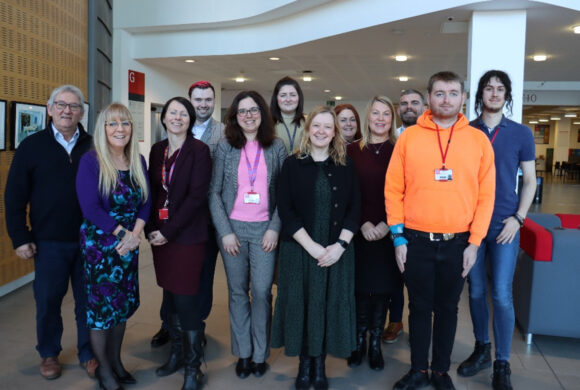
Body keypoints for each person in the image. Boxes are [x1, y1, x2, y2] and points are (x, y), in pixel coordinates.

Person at [385, 71, 495, 390]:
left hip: (458, 243)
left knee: (448, 309)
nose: (445, 99)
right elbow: (393, 190)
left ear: (463, 98)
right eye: (439, 93)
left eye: (452, 93)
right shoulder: (409, 137)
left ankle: (441, 371)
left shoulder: (477, 140)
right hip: (415, 240)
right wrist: (398, 236)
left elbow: (487, 195)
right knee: (418, 307)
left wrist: (475, 243)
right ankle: (419, 370)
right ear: (429, 99)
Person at [4, 85, 97, 380]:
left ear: (82, 111)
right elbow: (14, 197)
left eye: (73, 106)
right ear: (49, 108)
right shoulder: (32, 146)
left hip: (89, 241)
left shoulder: (95, 146)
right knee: (47, 302)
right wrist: (20, 237)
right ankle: (48, 353)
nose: (66, 111)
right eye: (61, 105)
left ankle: (88, 353)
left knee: (88, 302)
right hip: (48, 242)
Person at [457, 70, 536, 390]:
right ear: (480, 94)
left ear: (507, 95)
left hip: (505, 226)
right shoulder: (466, 131)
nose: (493, 93)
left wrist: (518, 218)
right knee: (475, 292)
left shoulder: (520, 133)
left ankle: (502, 363)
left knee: (501, 294)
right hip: (471, 227)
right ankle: (481, 349)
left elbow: (529, 181)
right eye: (488, 88)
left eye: (499, 89)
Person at [272, 106, 361, 390]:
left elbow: (354, 209)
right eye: (316, 126)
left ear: (335, 132)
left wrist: (340, 246)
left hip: (336, 253)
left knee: (325, 305)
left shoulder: (346, 165)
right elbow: (286, 209)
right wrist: (311, 247)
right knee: (302, 306)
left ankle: (319, 364)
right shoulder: (292, 163)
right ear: (308, 130)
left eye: (328, 127)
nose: (321, 131)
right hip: (300, 251)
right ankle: (304, 365)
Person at [209, 90, 287, 379]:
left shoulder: (276, 147)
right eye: (242, 111)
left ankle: (259, 354)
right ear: (234, 117)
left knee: (263, 292)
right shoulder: (225, 147)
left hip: (265, 230)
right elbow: (214, 193)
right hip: (233, 232)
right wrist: (225, 232)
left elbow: (283, 195)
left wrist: (275, 228)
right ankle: (243, 353)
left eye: (254, 110)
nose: (249, 115)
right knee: (238, 292)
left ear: (263, 114)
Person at [76, 103, 151, 390]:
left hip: (128, 245)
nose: (120, 129)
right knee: (101, 312)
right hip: (101, 247)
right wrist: (124, 234)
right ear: (103, 129)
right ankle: (105, 371)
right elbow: (90, 207)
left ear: (132, 128)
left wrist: (136, 233)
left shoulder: (137, 161)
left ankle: (117, 362)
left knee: (122, 307)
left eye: (125, 123)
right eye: (112, 124)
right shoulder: (92, 161)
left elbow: (146, 201)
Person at [150, 81, 225, 349]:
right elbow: (154, 188)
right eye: (198, 99)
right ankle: (169, 326)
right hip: (168, 221)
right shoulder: (160, 147)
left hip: (202, 221)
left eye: (208, 99)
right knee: (171, 278)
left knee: (199, 279)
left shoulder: (224, 133)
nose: (203, 103)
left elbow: (202, 191)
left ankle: (195, 326)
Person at [147, 97, 212, 390]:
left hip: (187, 237)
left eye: (183, 114)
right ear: (163, 118)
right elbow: (151, 192)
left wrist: (168, 231)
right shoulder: (157, 150)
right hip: (159, 237)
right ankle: (176, 354)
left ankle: (193, 368)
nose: (177, 118)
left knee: (186, 301)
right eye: (172, 113)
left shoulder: (199, 151)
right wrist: (150, 228)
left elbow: (197, 198)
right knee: (170, 299)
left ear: (190, 119)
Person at [346, 96, 400, 371]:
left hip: (390, 232)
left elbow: (407, 192)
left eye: (386, 114)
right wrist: (363, 224)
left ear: (393, 119)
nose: (380, 119)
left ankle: (376, 342)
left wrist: (387, 225)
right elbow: (346, 193)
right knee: (359, 290)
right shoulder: (352, 150)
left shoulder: (401, 149)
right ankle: (358, 341)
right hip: (358, 231)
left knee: (382, 291)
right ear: (367, 117)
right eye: (375, 113)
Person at [383, 89, 426, 344]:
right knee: (394, 274)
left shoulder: (431, 138)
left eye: (415, 103)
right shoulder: (392, 139)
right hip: (394, 217)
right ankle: (395, 320)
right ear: (399, 110)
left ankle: (419, 325)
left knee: (418, 280)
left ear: (424, 106)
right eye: (405, 104)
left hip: (420, 221)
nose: (409, 107)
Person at [270, 76, 306, 153]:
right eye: (283, 95)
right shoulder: (266, 123)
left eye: (292, 95)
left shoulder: (309, 123)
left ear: (299, 98)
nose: (288, 99)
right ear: (276, 98)